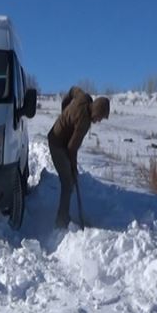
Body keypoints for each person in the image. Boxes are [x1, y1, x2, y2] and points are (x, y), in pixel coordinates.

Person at [47, 87, 110, 228]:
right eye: (100, 118)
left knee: (69, 178)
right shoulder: (84, 122)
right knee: (67, 181)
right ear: (96, 112)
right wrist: (73, 168)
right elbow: (72, 148)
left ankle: (64, 216)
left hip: (59, 139)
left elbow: (71, 91)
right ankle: (61, 220)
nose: (99, 121)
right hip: (57, 144)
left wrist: (64, 110)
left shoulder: (84, 97)